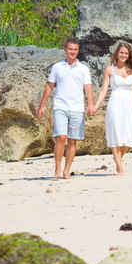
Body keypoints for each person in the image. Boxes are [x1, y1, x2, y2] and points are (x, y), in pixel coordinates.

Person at [37, 38, 94, 179]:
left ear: (78, 51)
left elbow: (88, 87)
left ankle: (66, 170)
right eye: (70, 49)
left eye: (75, 50)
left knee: (73, 140)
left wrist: (90, 104)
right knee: (61, 137)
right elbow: (50, 86)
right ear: (65, 50)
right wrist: (42, 106)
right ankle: (57, 169)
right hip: (60, 106)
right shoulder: (57, 67)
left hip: (77, 108)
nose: (72, 52)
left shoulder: (83, 69)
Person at [90, 42, 132, 175]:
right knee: (116, 135)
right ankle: (119, 167)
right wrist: (95, 105)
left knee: (128, 137)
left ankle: (118, 160)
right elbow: (103, 90)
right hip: (115, 104)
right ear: (117, 53)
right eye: (121, 52)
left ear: (128, 55)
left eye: (126, 53)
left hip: (129, 104)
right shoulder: (109, 69)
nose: (123, 55)